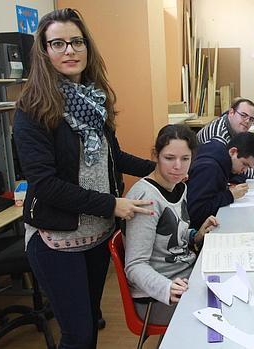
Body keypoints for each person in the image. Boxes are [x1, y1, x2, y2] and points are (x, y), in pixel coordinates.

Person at [13, 8, 156, 348]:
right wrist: (112, 204)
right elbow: (45, 185)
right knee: (77, 335)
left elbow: (114, 157)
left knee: (90, 325)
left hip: (96, 235)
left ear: (87, 47)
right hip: (56, 240)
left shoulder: (95, 101)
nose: (70, 50)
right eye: (58, 43)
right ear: (44, 52)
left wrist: (163, 169)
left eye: (76, 42)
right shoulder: (32, 109)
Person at [124, 124, 219, 325]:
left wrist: (195, 235)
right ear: (156, 156)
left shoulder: (179, 186)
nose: (178, 166)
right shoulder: (146, 197)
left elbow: (173, 234)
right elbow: (134, 265)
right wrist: (167, 288)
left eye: (185, 159)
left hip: (187, 276)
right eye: (169, 158)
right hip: (158, 297)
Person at [187, 132, 254, 229]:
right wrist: (230, 195)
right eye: (244, 164)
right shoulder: (209, 169)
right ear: (232, 152)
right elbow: (196, 213)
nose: (244, 170)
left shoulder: (221, 155)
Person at [197, 98, 254, 179]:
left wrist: (250, 163)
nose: (247, 121)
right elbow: (229, 166)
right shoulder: (219, 135)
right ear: (231, 112)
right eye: (244, 115)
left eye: (251, 119)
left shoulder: (233, 128)